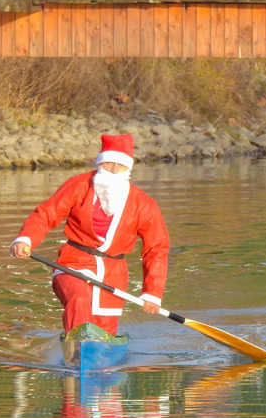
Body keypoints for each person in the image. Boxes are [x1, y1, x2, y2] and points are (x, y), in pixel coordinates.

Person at [9, 134, 169, 336]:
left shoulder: (144, 204)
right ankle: (78, 345)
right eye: (109, 163)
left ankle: (99, 356)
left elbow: (156, 250)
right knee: (80, 299)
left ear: (128, 168)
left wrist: (152, 293)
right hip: (73, 263)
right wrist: (25, 239)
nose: (113, 170)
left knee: (105, 330)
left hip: (114, 274)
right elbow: (47, 214)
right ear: (101, 162)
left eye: (119, 165)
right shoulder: (79, 185)